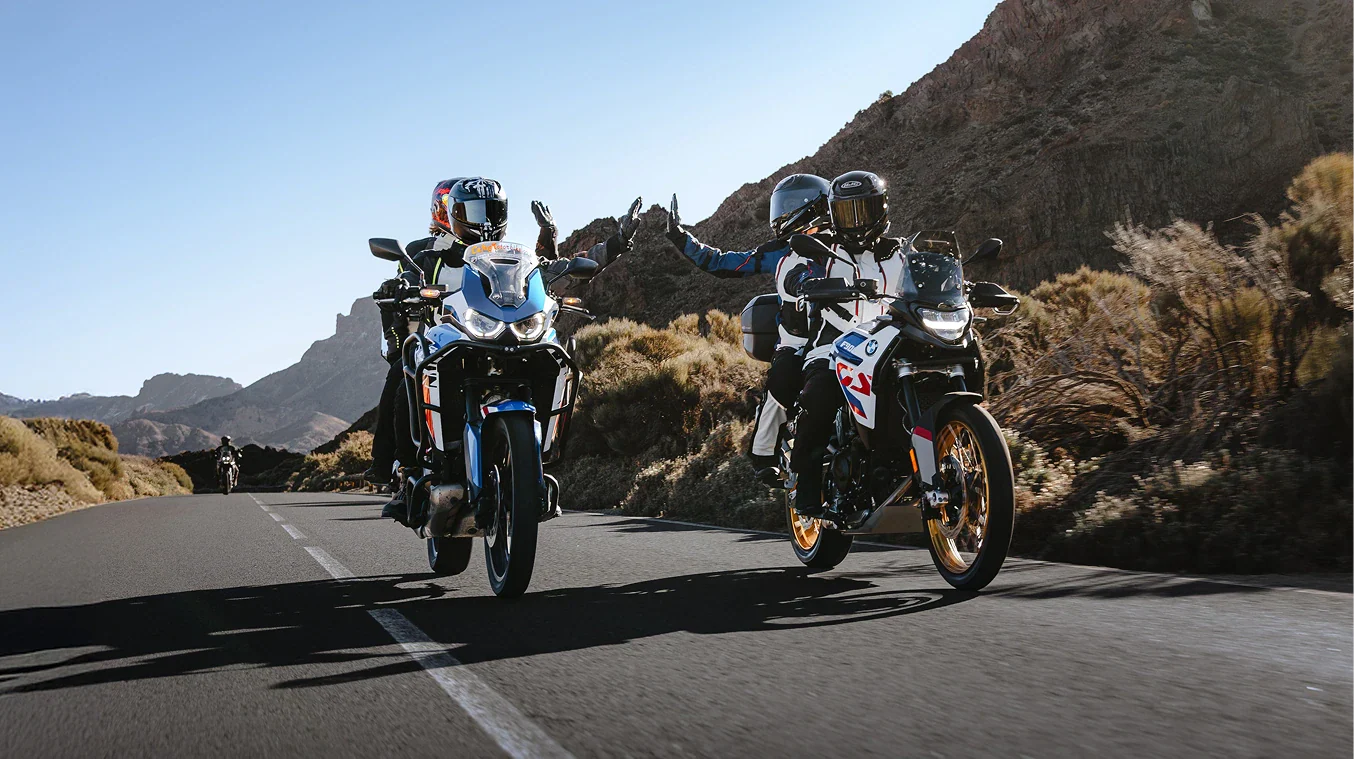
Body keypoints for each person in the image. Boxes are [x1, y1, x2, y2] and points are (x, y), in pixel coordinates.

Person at [372, 177, 645, 525]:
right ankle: (401, 472)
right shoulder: (426, 252)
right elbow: (406, 278)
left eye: (492, 210)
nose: (483, 220)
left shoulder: (509, 256)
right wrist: (399, 288)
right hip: (447, 336)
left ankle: (532, 464)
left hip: (502, 335)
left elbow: (552, 270)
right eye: (473, 211)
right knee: (403, 372)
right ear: (452, 213)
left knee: (554, 357)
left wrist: (615, 243)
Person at [663, 174, 834, 482]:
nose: (783, 213)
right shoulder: (778, 251)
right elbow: (721, 263)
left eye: (791, 205)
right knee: (782, 381)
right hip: (797, 343)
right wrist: (680, 237)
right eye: (783, 205)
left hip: (847, 338)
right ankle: (763, 454)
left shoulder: (849, 245)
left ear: (814, 206)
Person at [786, 171, 909, 517]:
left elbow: (928, 279)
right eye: (846, 213)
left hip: (890, 339)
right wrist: (808, 285)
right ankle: (806, 489)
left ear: (881, 209)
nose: (856, 222)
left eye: (864, 210)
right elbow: (801, 274)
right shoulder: (825, 252)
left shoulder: (901, 252)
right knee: (819, 395)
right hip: (834, 342)